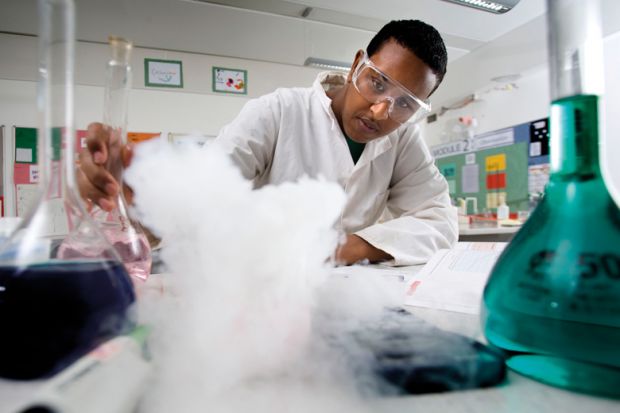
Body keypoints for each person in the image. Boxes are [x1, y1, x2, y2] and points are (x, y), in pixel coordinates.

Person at [78, 19, 458, 266]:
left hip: (346, 297)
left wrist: (347, 247)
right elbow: (201, 194)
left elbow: (440, 223)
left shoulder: (404, 138)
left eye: (405, 104)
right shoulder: (278, 112)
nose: (380, 111)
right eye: (377, 82)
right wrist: (132, 196)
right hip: (259, 294)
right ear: (357, 64)